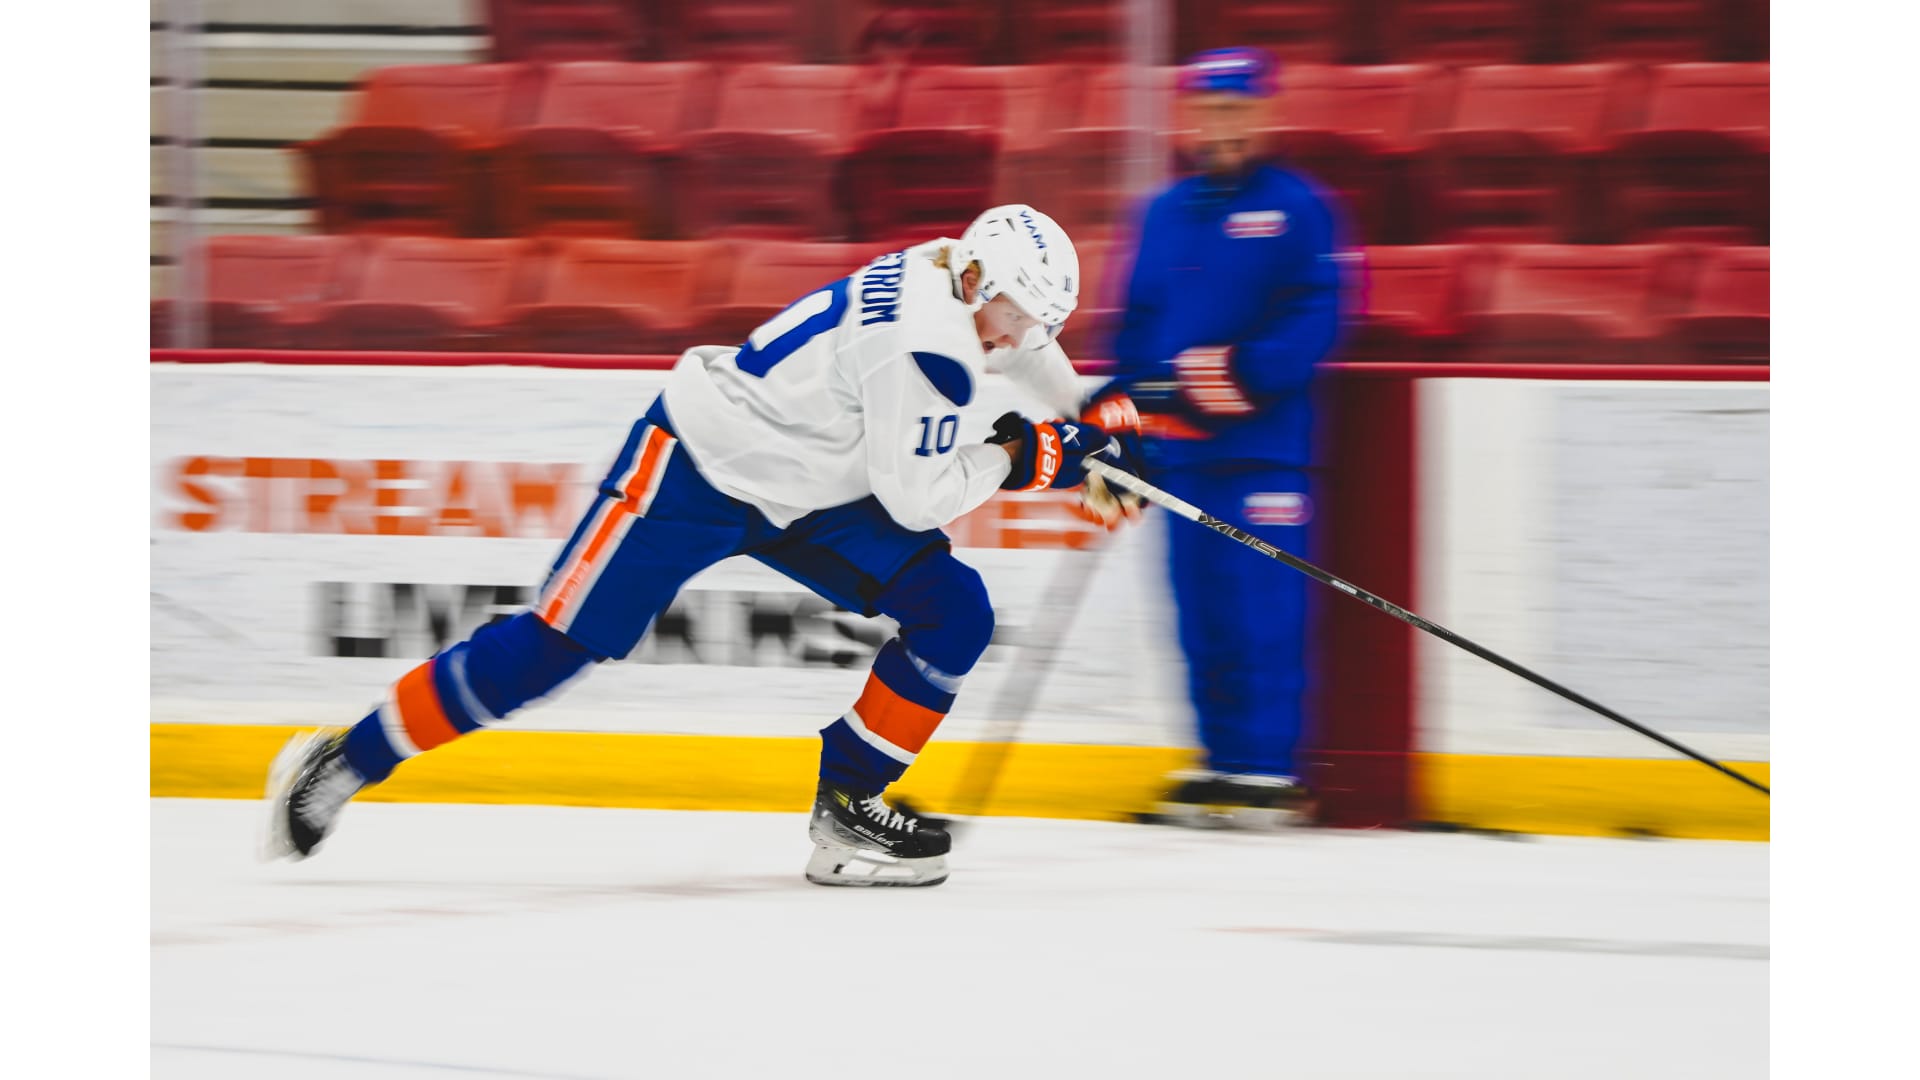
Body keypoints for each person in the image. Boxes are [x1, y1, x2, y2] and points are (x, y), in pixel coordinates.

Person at [263, 204, 1147, 887]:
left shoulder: (947, 265)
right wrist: (1032, 458)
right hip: (697, 464)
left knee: (952, 611)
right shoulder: (931, 349)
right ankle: (346, 760)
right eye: (1016, 316)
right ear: (980, 282)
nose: (1019, 338)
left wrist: (1086, 413)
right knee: (551, 649)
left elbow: (1016, 356)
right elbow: (919, 500)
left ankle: (849, 805)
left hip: (807, 482)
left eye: (1035, 323)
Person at [1089, 47, 1352, 828]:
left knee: (1265, 611)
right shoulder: (1162, 212)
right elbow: (1134, 327)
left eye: (1237, 110)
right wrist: (1121, 425)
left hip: (1267, 452)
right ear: (1189, 119)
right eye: (1209, 110)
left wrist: (1239, 372)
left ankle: (1271, 769)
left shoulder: (1301, 207)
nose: (1222, 124)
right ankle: (1222, 760)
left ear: (1266, 114)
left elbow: (1321, 312)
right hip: (1182, 456)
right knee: (1199, 612)